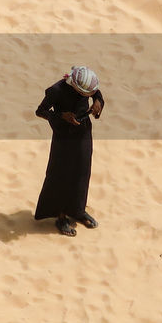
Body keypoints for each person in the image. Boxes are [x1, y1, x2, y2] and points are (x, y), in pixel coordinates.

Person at [34, 65, 104, 236]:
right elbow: (40, 111)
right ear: (75, 86)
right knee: (61, 175)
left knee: (82, 172)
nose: (88, 96)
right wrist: (61, 116)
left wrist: (97, 103)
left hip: (83, 132)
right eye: (85, 95)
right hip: (63, 136)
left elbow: (97, 94)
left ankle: (78, 210)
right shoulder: (55, 90)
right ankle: (61, 216)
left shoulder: (87, 86)